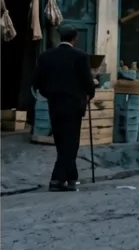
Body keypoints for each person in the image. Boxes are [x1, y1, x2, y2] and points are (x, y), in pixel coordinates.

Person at [33, 25, 96, 192]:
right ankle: (59, 179)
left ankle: (68, 179)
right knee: (70, 143)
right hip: (74, 106)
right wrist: (90, 93)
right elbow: (88, 83)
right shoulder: (80, 56)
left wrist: (50, 95)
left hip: (54, 105)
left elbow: (37, 83)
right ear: (74, 39)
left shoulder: (45, 56)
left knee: (61, 142)